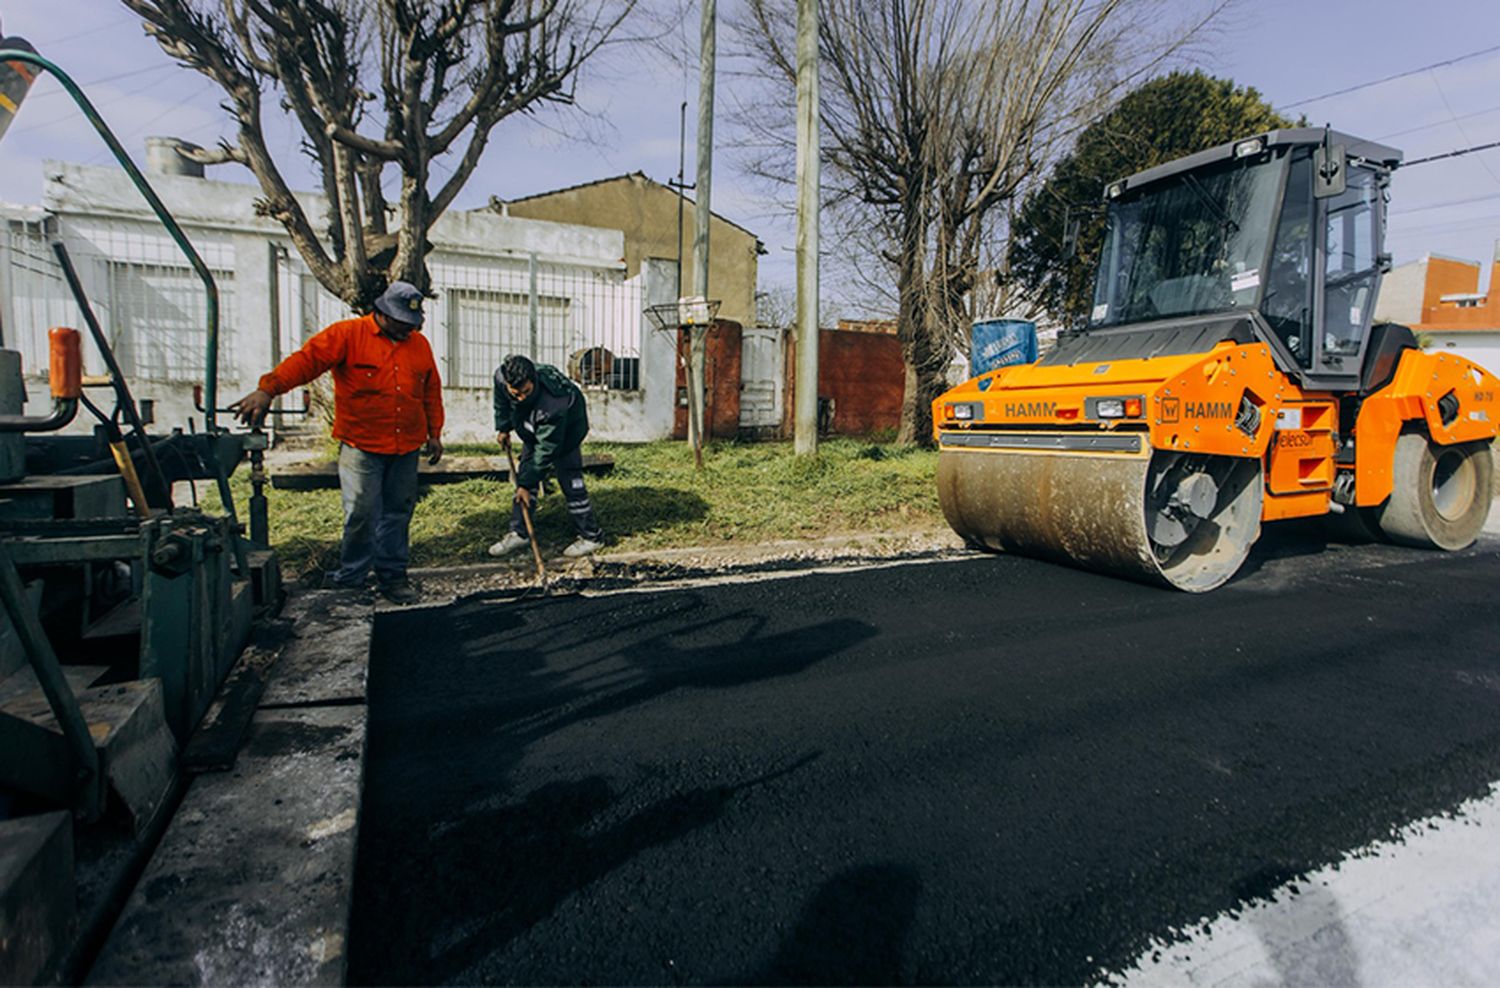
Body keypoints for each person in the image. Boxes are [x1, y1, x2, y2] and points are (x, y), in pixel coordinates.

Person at [231, 281, 444, 604]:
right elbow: (306, 361)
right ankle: (352, 577)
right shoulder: (347, 335)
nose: (408, 329)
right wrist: (269, 389)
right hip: (362, 445)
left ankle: (393, 576)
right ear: (382, 313)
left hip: (406, 445)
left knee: (398, 512)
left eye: (412, 324)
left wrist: (434, 432)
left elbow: (430, 390)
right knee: (361, 511)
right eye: (402, 323)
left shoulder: (419, 345)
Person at [488, 354, 605, 559]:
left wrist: (524, 484)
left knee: (570, 478)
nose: (521, 398)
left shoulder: (553, 404)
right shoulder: (501, 377)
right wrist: (504, 428)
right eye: (516, 394)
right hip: (533, 425)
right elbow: (501, 401)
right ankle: (520, 533)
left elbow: (546, 450)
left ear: (534, 380)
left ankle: (591, 537)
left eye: (526, 392)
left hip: (568, 430)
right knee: (526, 472)